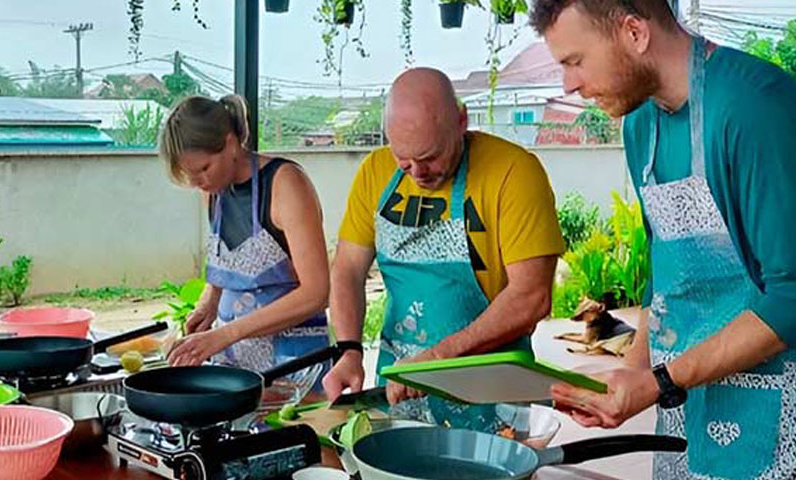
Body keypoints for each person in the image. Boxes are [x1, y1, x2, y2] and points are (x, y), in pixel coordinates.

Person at [531, 0, 796, 480]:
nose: (568, 85)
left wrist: (660, 380)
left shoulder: (755, 108)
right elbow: (667, 279)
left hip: (784, 414)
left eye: (575, 60)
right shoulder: (640, 124)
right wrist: (637, 374)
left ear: (634, 32)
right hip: (685, 409)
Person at [322, 68, 565, 432]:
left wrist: (435, 358)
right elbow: (347, 270)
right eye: (403, 160)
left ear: (462, 121)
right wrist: (349, 350)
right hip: (400, 387)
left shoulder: (514, 172)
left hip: (490, 392)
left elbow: (531, 298)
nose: (417, 172)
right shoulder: (375, 171)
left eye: (430, 156)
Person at [159, 95, 331, 402]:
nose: (198, 181)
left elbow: (316, 293)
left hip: (292, 365)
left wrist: (224, 334)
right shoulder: (213, 192)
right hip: (234, 363)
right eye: (190, 175)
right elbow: (227, 259)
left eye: (203, 168)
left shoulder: (285, 184)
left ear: (230, 143)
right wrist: (209, 302)